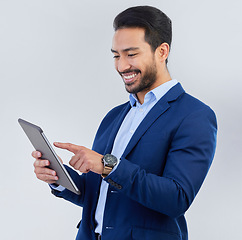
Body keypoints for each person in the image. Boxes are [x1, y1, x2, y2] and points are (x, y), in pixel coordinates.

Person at [32, 6, 217, 240]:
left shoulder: (194, 115)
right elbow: (100, 197)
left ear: (161, 52)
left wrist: (107, 164)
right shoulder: (114, 116)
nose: (121, 66)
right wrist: (59, 178)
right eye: (116, 55)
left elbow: (176, 199)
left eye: (131, 54)